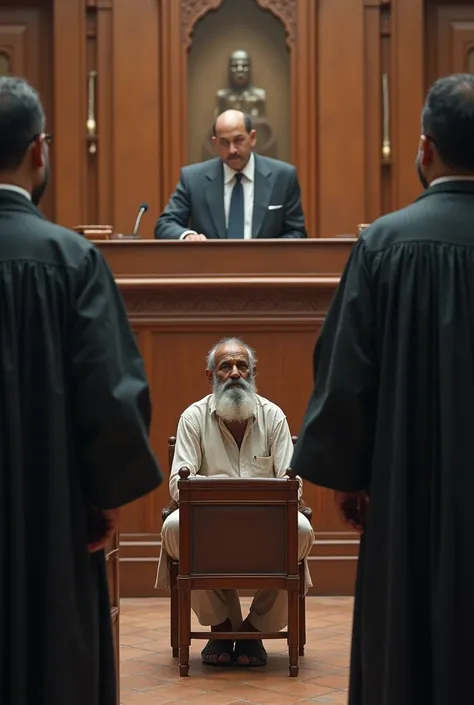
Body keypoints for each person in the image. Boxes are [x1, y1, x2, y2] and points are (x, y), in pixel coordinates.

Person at [291, 73, 474, 705]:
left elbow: (346, 369)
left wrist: (349, 475)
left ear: (424, 150)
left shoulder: (384, 244)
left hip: (406, 491)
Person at [0, 76, 162, 705]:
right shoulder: (72, 260)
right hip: (52, 513)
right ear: (40, 152)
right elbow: (111, 393)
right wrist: (103, 497)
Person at [155, 337, 314, 666]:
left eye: (242, 365)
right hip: (207, 521)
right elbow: (175, 485)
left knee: (300, 532)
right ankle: (222, 625)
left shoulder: (273, 416)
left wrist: (230, 492)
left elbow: (293, 483)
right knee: (175, 529)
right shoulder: (193, 418)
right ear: (210, 374)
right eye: (225, 366)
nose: (235, 373)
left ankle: (254, 628)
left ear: (253, 371)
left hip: (267, 520)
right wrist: (226, 495)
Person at [154, 109, 307, 240]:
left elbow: (297, 232)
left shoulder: (283, 177)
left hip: (265, 270)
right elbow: (165, 224)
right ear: (215, 143)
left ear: (252, 138)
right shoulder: (193, 179)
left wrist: (267, 253)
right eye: (224, 143)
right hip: (210, 269)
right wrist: (187, 235)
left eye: (239, 140)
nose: (232, 150)